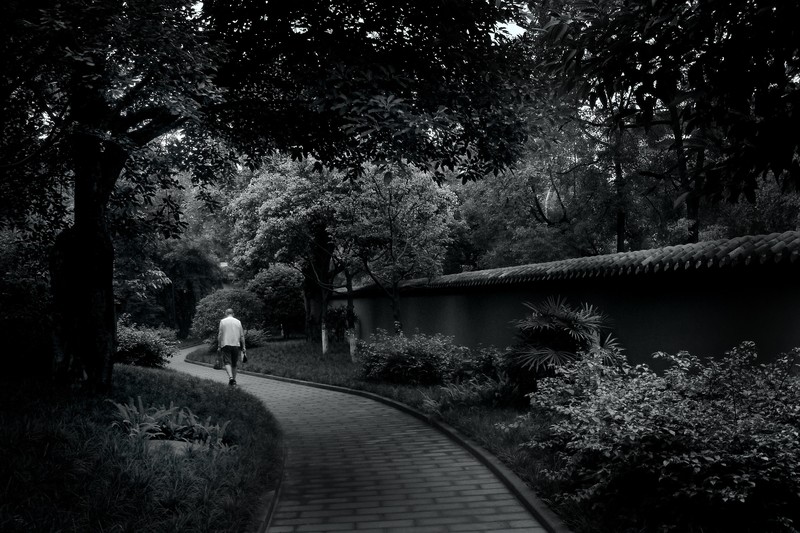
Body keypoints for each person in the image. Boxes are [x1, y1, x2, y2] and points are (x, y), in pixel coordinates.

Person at [217, 308, 246, 387]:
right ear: (233, 313)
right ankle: (234, 381)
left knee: (227, 362)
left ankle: (230, 378)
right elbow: (242, 335)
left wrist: (219, 346)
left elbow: (220, 335)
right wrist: (244, 346)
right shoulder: (238, 322)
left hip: (226, 344)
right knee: (234, 363)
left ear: (226, 313)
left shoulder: (223, 321)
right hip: (236, 345)